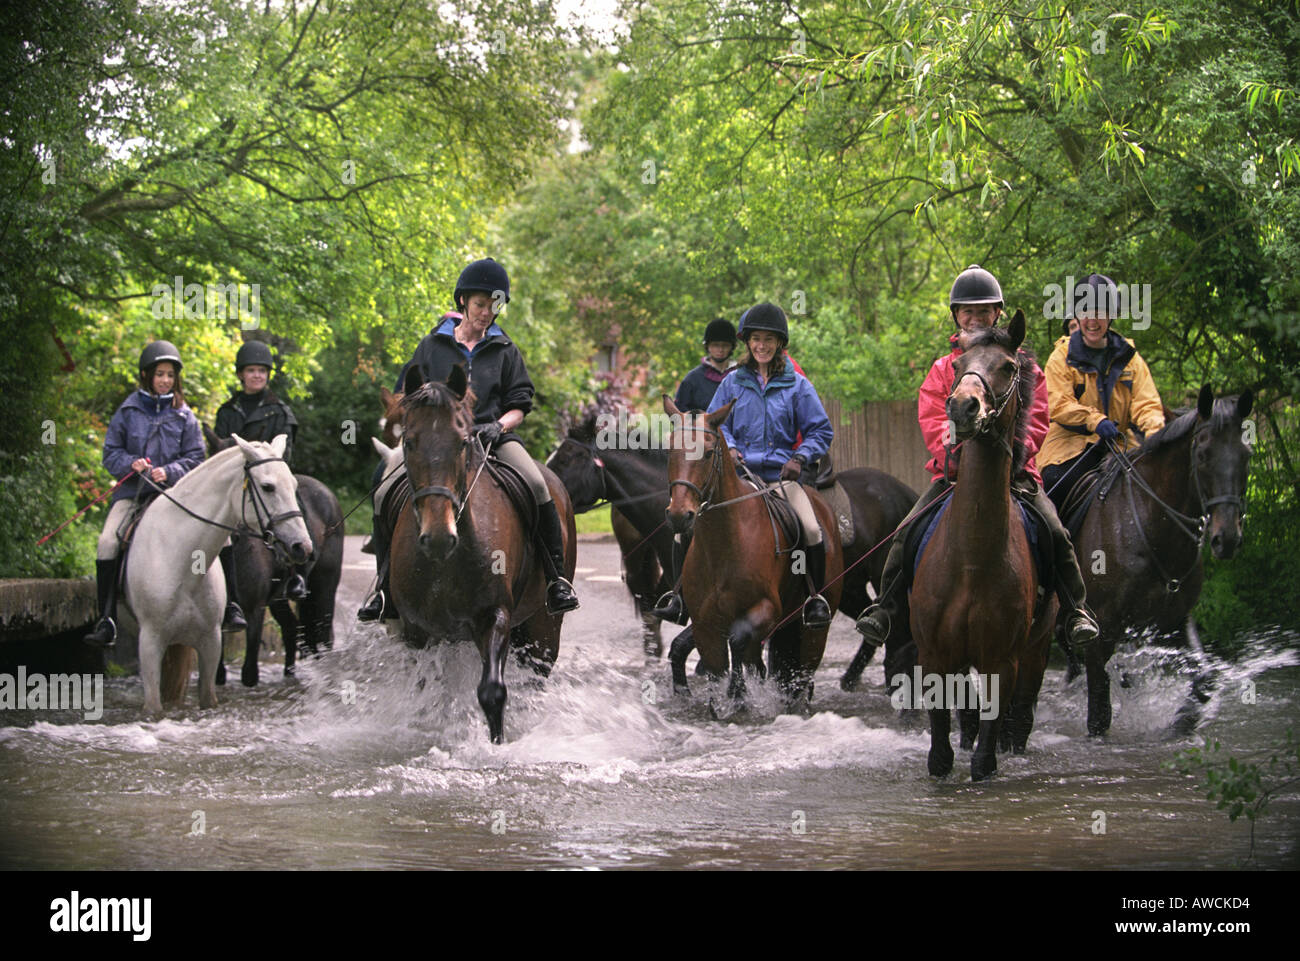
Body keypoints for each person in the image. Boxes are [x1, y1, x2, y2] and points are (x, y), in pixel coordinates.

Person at [853, 265, 1100, 655]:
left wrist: (1011, 459)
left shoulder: (1022, 367)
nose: (975, 316)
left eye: (983, 310)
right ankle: (885, 609)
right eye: (967, 310)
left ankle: (1074, 611)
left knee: (1055, 531)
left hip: (1014, 477)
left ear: (997, 314)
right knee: (905, 532)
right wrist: (958, 457)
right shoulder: (942, 369)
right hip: (952, 479)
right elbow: (935, 425)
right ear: (956, 316)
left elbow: (1037, 423)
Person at [358, 258, 578, 620]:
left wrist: (501, 426)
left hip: (493, 437)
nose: (486, 313)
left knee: (538, 484)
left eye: (494, 306)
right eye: (480, 304)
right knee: (382, 490)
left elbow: (520, 402)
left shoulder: (506, 349)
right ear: (463, 302)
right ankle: (383, 589)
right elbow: (405, 396)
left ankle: (556, 580)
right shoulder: (432, 345)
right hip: (436, 444)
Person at [656, 302, 835, 628]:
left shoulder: (797, 385)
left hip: (780, 478)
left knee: (810, 528)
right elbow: (710, 426)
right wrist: (733, 449)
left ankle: (813, 598)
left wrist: (799, 457)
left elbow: (820, 430)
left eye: (768, 339)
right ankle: (679, 597)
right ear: (748, 343)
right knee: (683, 531)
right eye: (755, 339)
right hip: (736, 476)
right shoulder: (733, 382)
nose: (762, 346)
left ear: (780, 343)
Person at [84, 341, 205, 647]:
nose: (165, 380)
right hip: (133, 494)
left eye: (170, 375)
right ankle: (107, 620)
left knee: (224, 537)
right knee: (107, 541)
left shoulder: (185, 415)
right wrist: (131, 463)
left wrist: (171, 471)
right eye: (159, 374)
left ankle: (229, 608)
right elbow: (110, 454)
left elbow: (196, 458)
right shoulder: (127, 411)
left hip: (175, 495)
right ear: (147, 375)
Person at [1039, 273, 1166, 505]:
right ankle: (1049, 540)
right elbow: (1057, 403)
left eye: (1100, 313)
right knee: (1054, 485)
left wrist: (1156, 437)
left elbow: (1147, 404)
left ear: (1112, 316)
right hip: (1071, 446)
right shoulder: (1060, 357)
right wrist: (1094, 420)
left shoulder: (1130, 358)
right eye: (1085, 312)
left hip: (1120, 446)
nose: (1092, 321)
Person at [213, 340, 303, 629]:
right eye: (251, 371)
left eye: (261, 371)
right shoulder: (226, 412)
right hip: (235, 484)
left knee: (293, 514)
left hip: (271, 480)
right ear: (241, 374)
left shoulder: (280, 411)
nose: (256, 376)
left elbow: (285, 451)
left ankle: (294, 575)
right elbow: (218, 450)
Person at [674, 318, 737, 412]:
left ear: (732, 347)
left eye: (725, 345)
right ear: (707, 346)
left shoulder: (742, 376)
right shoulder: (692, 379)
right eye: (715, 345)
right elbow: (678, 412)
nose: (720, 350)